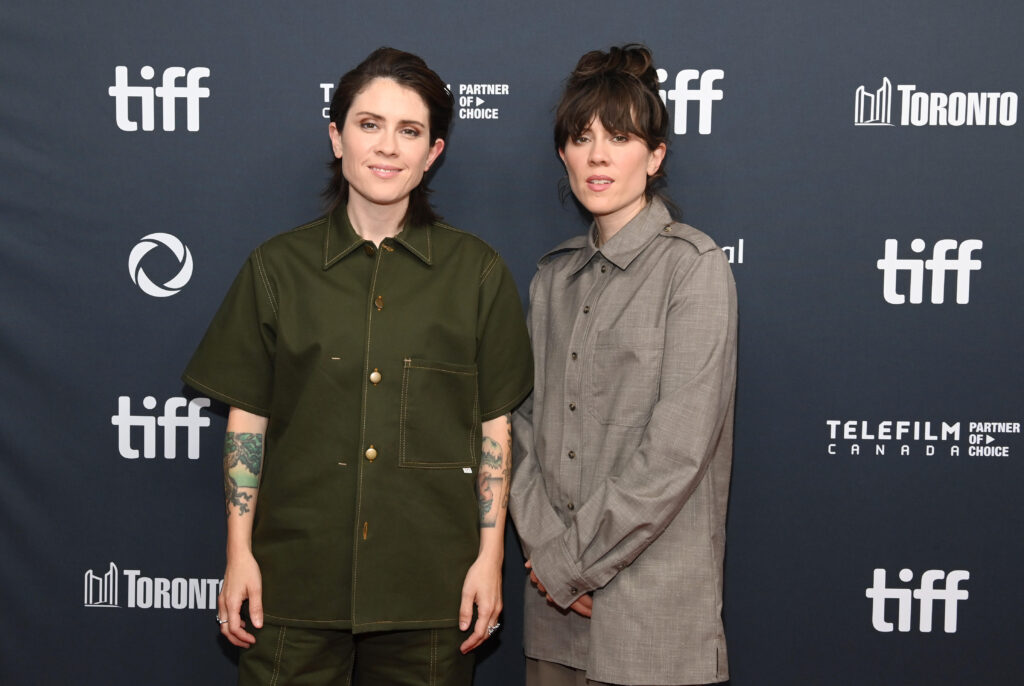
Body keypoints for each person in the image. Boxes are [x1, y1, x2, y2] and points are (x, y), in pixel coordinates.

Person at [183, 47, 533, 685]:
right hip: (290, 591)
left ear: (433, 153)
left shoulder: (477, 274)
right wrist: (239, 555)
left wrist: (490, 560)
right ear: (336, 137)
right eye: (369, 124)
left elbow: (494, 429)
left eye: (410, 131)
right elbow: (247, 421)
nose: (387, 147)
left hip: (431, 597)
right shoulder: (276, 269)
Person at [510, 44, 737, 686]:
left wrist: (572, 562)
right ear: (564, 154)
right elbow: (520, 428)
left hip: (653, 620)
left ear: (655, 156)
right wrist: (550, 554)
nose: (599, 155)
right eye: (581, 138)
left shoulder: (693, 269)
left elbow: (676, 452)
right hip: (555, 615)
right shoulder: (551, 280)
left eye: (619, 136)